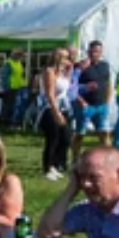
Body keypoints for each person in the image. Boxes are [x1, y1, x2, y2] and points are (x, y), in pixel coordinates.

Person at [38, 47, 75, 181]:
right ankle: (47, 168)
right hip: (50, 108)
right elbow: (50, 93)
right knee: (52, 139)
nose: (67, 60)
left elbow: (67, 88)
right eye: (65, 57)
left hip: (64, 107)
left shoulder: (64, 73)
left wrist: (69, 70)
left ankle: (56, 164)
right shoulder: (50, 71)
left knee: (65, 138)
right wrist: (56, 112)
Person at [75, 41, 114, 149]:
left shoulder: (105, 65)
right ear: (88, 51)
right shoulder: (80, 66)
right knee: (80, 134)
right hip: (85, 105)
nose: (94, 54)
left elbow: (108, 83)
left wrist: (107, 100)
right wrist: (81, 101)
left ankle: (107, 161)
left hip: (101, 105)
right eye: (92, 51)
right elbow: (72, 87)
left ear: (101, 53)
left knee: (104, 133)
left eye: (97, 51)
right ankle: (75, 159)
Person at [3, 48, 30, 128]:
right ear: (16, 55)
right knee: (13, 105)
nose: (22, 58)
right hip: (11, 87)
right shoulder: (8, 63)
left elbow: (20, 75)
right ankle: (10, 122)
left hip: (20, 86)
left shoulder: (19, 63)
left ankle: (17, 121)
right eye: (21, 56)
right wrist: (6, 87)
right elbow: (4, 76)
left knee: (19, 105)